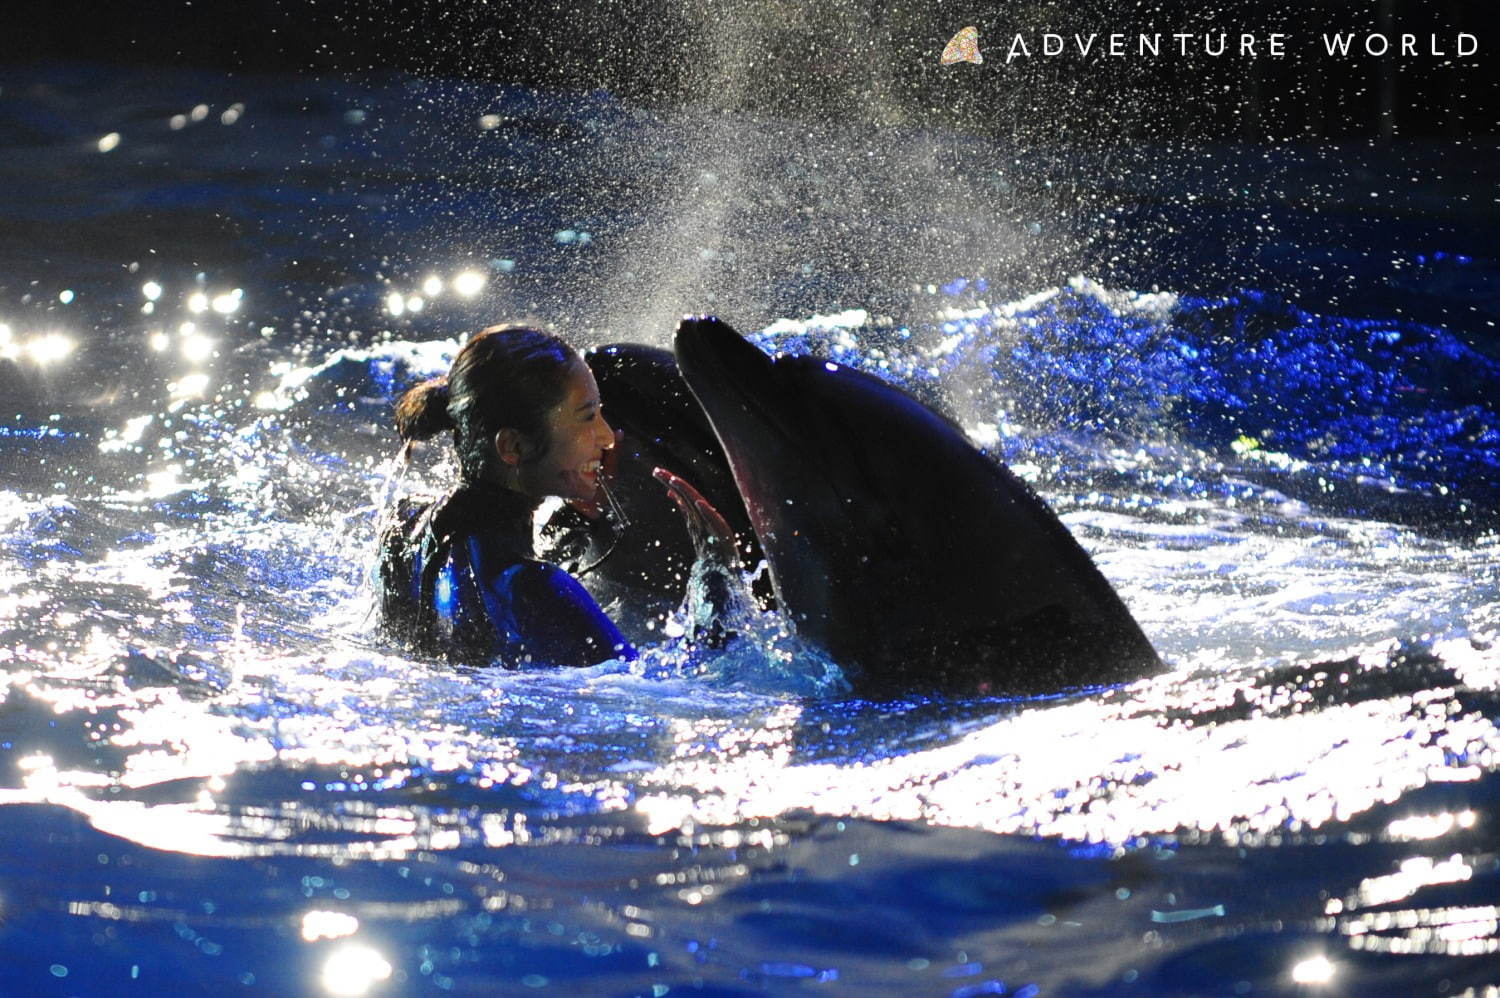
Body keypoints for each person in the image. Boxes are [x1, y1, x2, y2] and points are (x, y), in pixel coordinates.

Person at [376, 323, 739, 667]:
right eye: (588, 417)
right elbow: (666, 693)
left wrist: (579, 520)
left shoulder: (405, 523)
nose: (608, 436)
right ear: (513, 446)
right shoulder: (541, 591)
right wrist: (717, 573)